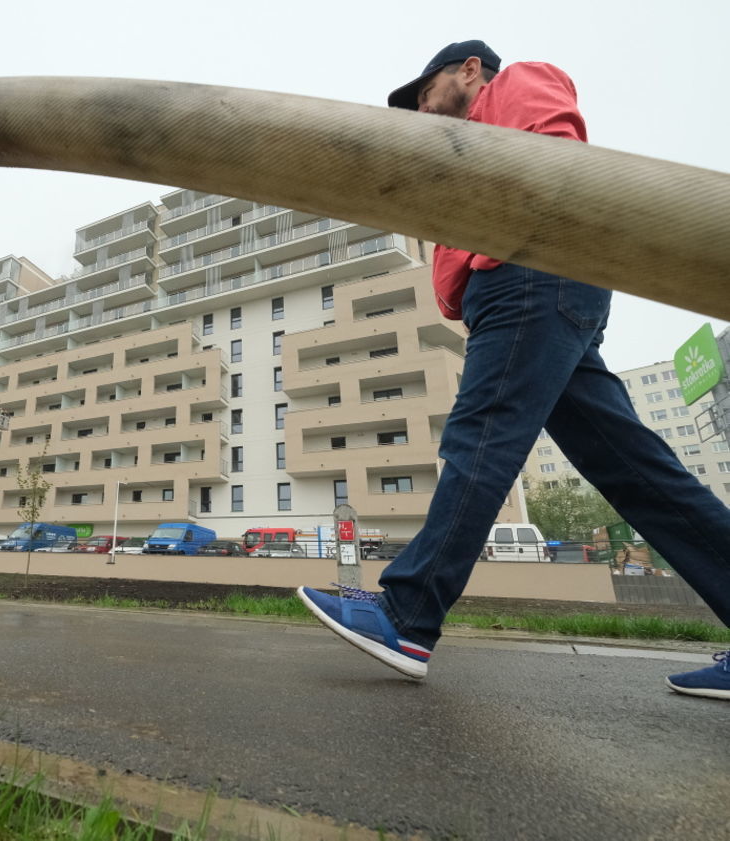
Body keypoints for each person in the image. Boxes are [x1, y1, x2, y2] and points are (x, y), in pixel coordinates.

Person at [297, 40, 730, 701]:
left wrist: (497, 256)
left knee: (482, 434)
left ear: (470, 70)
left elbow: (554, 160)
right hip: (533, 290)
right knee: (636, 469)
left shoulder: (517, 86)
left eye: (425, 92)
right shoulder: (460, 155)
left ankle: (407, 617)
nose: (420, 107)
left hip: (530, 277)